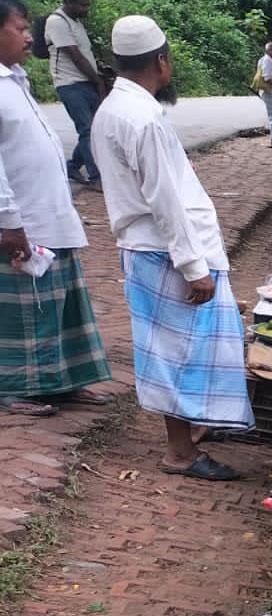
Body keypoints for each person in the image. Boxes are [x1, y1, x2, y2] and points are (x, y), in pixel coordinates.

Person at [91, 15, 251, 480]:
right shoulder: (141, 119)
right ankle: (180, 452)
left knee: (185, 348)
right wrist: (191, 265)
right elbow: (165, 202)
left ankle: (194, 430)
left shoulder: (113, 110)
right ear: (161, 62)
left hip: (152, 250)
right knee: (178, 352)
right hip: (166, 254)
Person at [0, 0, 111, 416]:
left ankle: (62, 382)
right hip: (21, 220)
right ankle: (14, 387)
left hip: (50, 216)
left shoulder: (16, 80)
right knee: (24, 311)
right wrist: (9, 222)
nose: (30, 36)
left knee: (61, 304)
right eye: (20, 28)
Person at [44, 0, 106, 187]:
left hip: (86, 82)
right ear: (68, 2)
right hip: (69, 84)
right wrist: (98, 82)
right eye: (82, 5)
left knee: (95, 129)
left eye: (87, 5)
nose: (85, 9)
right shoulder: (57, 21)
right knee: (87, 129)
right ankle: (96, 178)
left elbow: (85, 54)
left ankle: (72, 166)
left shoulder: (76, 22)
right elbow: (76, 57)